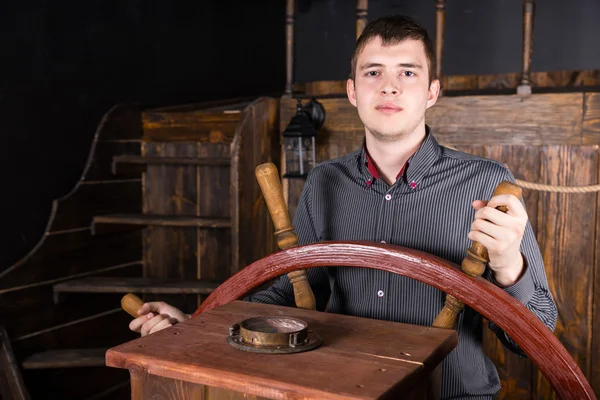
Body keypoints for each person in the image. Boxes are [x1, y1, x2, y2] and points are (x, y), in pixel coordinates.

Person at [130, 15, 557, 400]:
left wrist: (507, 267)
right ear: (352, 91)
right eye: (374, 72)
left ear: (431, 92)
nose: (389, 86)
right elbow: (289, 293)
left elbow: (536, 335)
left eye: (407, 72)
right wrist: (197, 323)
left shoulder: (487, 182)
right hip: (334, 392)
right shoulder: (324, 181)